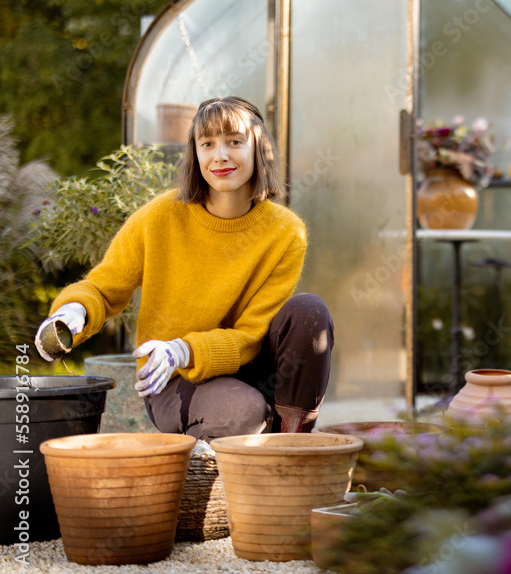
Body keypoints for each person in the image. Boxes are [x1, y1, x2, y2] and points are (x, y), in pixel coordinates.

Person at [34, 96, 333, 438]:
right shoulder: (158, 218)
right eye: (207, 144)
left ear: (259, 147)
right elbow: (103, 288)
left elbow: (252, 335)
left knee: (310, 311)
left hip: (246, 368)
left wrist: (185, 349)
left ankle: (294, 443)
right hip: (174, 379)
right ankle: (239, 435)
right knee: (243, 412)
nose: (220, 155)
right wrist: (74, 312)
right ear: (195, 153)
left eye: (234, 142)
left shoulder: (285, 231)